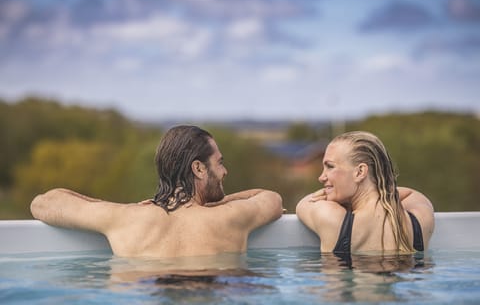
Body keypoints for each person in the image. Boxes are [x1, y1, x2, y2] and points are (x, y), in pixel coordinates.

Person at [31, 125, 283, 258]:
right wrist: (220, 204)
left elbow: (43, 203)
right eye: (219, 163)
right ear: (198, 168)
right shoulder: (231, 217)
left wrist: (115, 206)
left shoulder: (124, 218)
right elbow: (271, 199)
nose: (225, 172)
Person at [296, 131, 434, 255]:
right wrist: (380, 191)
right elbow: (412, 194)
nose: (322, 177)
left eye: (330, 167)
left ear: (360, 172)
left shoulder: (333, 219)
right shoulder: (421, 221)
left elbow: (304, 203)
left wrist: (329, 196)